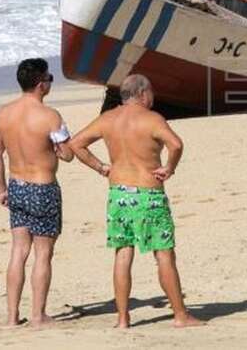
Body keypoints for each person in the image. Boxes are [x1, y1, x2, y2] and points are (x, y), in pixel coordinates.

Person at [69, 74, 203, 329]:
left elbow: (76, 144)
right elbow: (176, 145)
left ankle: (123, 319)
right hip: (148, 193)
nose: (153, 96)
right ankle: (180, 315)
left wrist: (100, 167)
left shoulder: (108, 118)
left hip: (119, 193)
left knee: (123, 253)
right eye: (151, 91)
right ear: (142, 93)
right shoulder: (152, 119)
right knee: (163, 254)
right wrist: (169, 168)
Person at [0, 58, 74, 327]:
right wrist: (58, 149)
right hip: (43, 187)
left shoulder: (3, 114)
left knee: (18, 251)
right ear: (40, 85)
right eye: (49, 78)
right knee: (43, 253)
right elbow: (68, 154)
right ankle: (38, 315)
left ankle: (12, 315)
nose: (50, 83)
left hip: (17, 186)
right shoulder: (50, 116)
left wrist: (1, 189)